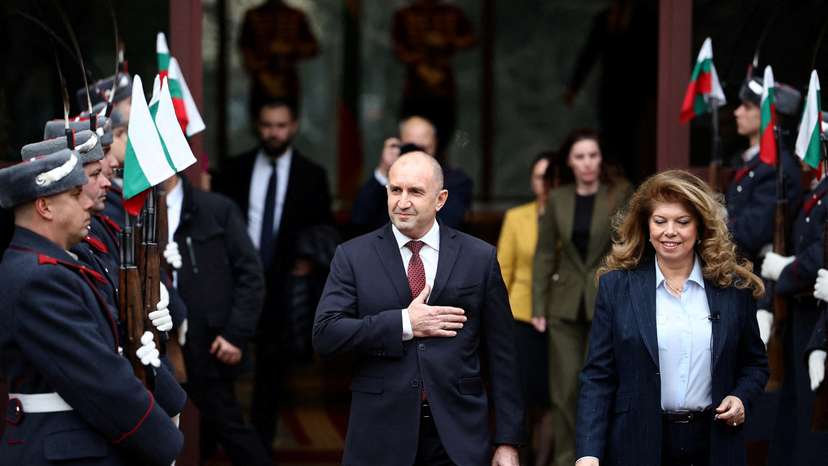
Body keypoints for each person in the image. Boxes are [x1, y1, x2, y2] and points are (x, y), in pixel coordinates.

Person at [313, 151, 524, 465]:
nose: (402, 201)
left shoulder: (478, 257)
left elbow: (502, 355)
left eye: (415, 191)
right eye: (395, 190)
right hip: (380, 434)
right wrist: (404, 323)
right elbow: (326, 335)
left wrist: (507, 441)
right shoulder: (353, 256)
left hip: (458, 436)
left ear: (440, 199)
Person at [0, 150, 184, 466]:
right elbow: (99, 377)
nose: (87, 203)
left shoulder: (56, 266)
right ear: (44, 207)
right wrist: (163, 442)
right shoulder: (38, 277)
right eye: (75, 195)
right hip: (62, 449)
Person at [576, 170, 768, 466]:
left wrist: (741, 398)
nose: (670, 231)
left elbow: (754, 364)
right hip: (636, 445)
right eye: (660, 221)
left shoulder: (733, 287)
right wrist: (588, 453)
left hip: (714, 444)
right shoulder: (617, 287)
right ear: (646, 225)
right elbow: (598, 377)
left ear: (700, 226)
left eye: (682, 221)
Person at [214, 96, 333, 451]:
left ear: (293, 126)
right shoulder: (234, 169)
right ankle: (218, 441)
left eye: (281, 126)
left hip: (284, 284)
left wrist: (309, 260)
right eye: (267, 125)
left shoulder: (313, 175)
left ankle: (260, 448)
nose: (274, 133)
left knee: (271, 371)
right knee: (222, 365)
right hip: (236, 281)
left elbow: (323, 229)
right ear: (257, 125)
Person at [531, 128, 632, 466]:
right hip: (563, 304)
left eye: (593, 155)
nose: (587, 163)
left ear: (601, 159)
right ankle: (566, 459)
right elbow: (545, 253)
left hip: (607, 299)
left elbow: (630, 246)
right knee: (564, 389)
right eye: (580, 157)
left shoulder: (619, 193)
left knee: (604, 383)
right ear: (570, 162)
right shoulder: (557, 198)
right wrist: (538, 305)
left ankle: (600, 456)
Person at [160, 173, 271, 465]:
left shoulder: (216, 209)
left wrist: (236, 333)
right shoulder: (130, 208)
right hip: (153, 341)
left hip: (207, 341)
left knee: (228, 426)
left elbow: (251, 275)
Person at [760, 168, 828, 465]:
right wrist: (766, 304)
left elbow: (820, 252)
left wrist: (788, 270)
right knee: (798, 415)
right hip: (806, 316)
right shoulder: (817, 187)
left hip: (815, 312)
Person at [496, 152, 555, 465]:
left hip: (557, 317)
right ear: (532, 181)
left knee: (550, 398)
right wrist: (499, 317)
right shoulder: (516, 217)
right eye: (539, 177)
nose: (545, 183)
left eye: (550, 176)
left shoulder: (568, 214)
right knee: (521, 396)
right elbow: (503, 269)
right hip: (519, 316)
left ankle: (543, 459)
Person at [351, 115, 472, 232]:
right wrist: (384, 170)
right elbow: (359, 219)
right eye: (411, 147)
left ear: (435, 145)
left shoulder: (456, 181)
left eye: (423, 149)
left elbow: (448, 224)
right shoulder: (389, 177)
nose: (417, 154)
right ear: (399, 145)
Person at [392, 0, 477, 152]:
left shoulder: (451, 13)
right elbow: (398, 49)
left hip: (443, 90)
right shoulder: (405, 15)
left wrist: (445, 41)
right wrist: (419, 60)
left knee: (443, 138)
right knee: (411, 136)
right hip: (415, 90)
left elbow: (471, 39)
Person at [239, 0, 319, 103]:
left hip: (288, 81)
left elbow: (313, 47)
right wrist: (261, 73)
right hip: (261, 82)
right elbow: (245, 49)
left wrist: (289, 48)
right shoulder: (253, 16)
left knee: (287, 110)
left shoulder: (296, 16)